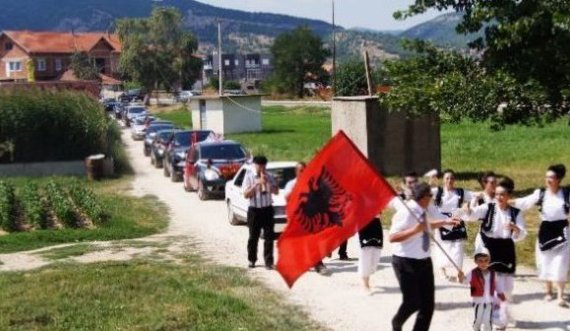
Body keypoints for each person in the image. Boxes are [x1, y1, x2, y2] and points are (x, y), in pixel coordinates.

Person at [389, 182, 460, 331]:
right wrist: (415, 230)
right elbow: (392, 237)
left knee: (428, 304)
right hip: (405, 261)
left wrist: (445, 222)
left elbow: (427, 225)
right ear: (422, 197)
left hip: (424, 262)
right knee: (412, 301)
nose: (432, 198)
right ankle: (397, 323)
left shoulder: (425, 208)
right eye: (430, 196)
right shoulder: (406, 211)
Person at [465, 177, 527, 330]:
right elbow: (472, 214)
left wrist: (515, 228)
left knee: (507, 288)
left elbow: (523, 233)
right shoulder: (488, 207)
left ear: (508, 196)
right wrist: (467, 209)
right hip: (491, 250)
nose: (499, 197)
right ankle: (497, 319)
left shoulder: (515, 213)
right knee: (493, 285)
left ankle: (503, 313)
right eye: (497, 194)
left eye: (503, 194)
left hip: (506, 251)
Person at [511, 164, 570, 308]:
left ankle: (560, 296)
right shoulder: (541, 194)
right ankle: (549, 291)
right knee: (545, 261)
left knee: (561, 262)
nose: (548, 180)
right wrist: (505, 200)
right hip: (545, 230)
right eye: (547, 177)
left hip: (563, 230)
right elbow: (523, 202)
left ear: (559, 179)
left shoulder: (567, 194)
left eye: (552, 177)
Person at [283, 162, 328, 275]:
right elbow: (287, 198)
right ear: (296, 172)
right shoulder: (291, 184)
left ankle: (318, 264)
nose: (303, 172)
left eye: (305, 170)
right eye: (301, 170)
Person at [431, 169, 473, 281]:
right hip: (442, 221)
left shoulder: (460, 192)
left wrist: (467, 205)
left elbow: (473, 197)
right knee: (442, 246)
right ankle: (442, 269)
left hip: (456, 220)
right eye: (447, 178)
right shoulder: (437, 191)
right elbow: (423, 193)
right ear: (443, 180)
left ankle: (459, 271)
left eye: (452, 178)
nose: (449, 180)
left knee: (458, 247)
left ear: (454, 180)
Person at [243, 155, 279, 270]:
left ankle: (269, 262)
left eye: (264, 166)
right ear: (255, 165)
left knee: (269, 236)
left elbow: (276, 191)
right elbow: (246, 194)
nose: (262, 168)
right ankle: (252, 259)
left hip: (267, 209)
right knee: (253, 236)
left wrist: (268, 183)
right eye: (260, 166)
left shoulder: (269, 176)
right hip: (254, 210)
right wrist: (257, 183)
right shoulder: (249, 176)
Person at [458, 247, 506, 331]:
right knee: (478, 320)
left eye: (486, 260)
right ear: (475, 261)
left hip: (489, 301)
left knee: (488, 321)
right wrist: (460, 277)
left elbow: (498, 286)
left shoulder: (493, 273)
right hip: (477, 302)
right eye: (480, 261)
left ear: (489, 260)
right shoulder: (472, 273)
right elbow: (464, 281)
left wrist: (501, 295)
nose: (483, 263)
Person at [358, 217, 383, 293]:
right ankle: (366, 284)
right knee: (366, 253)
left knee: (377, 252)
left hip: (376, 223)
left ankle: (368, 272)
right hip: (364, 223)